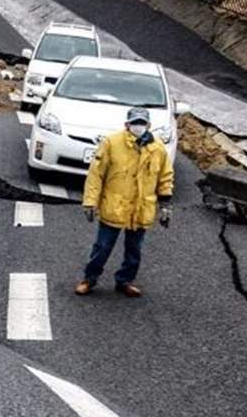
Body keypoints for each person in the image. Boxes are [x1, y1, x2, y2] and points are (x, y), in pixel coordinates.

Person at [74, 107, 174, 298]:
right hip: (114, 206)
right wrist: (90, 202)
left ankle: (125, 281)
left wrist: (166, 204)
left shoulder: (158, 148)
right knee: (102, 247)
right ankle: (89, 279)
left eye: (142, 123)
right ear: (127, 124)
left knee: (134, 250)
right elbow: (96, 174)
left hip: (140, 208)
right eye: (135, 123)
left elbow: (165, 177)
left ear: (149, 125)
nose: (138, 127)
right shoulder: (111, 143)